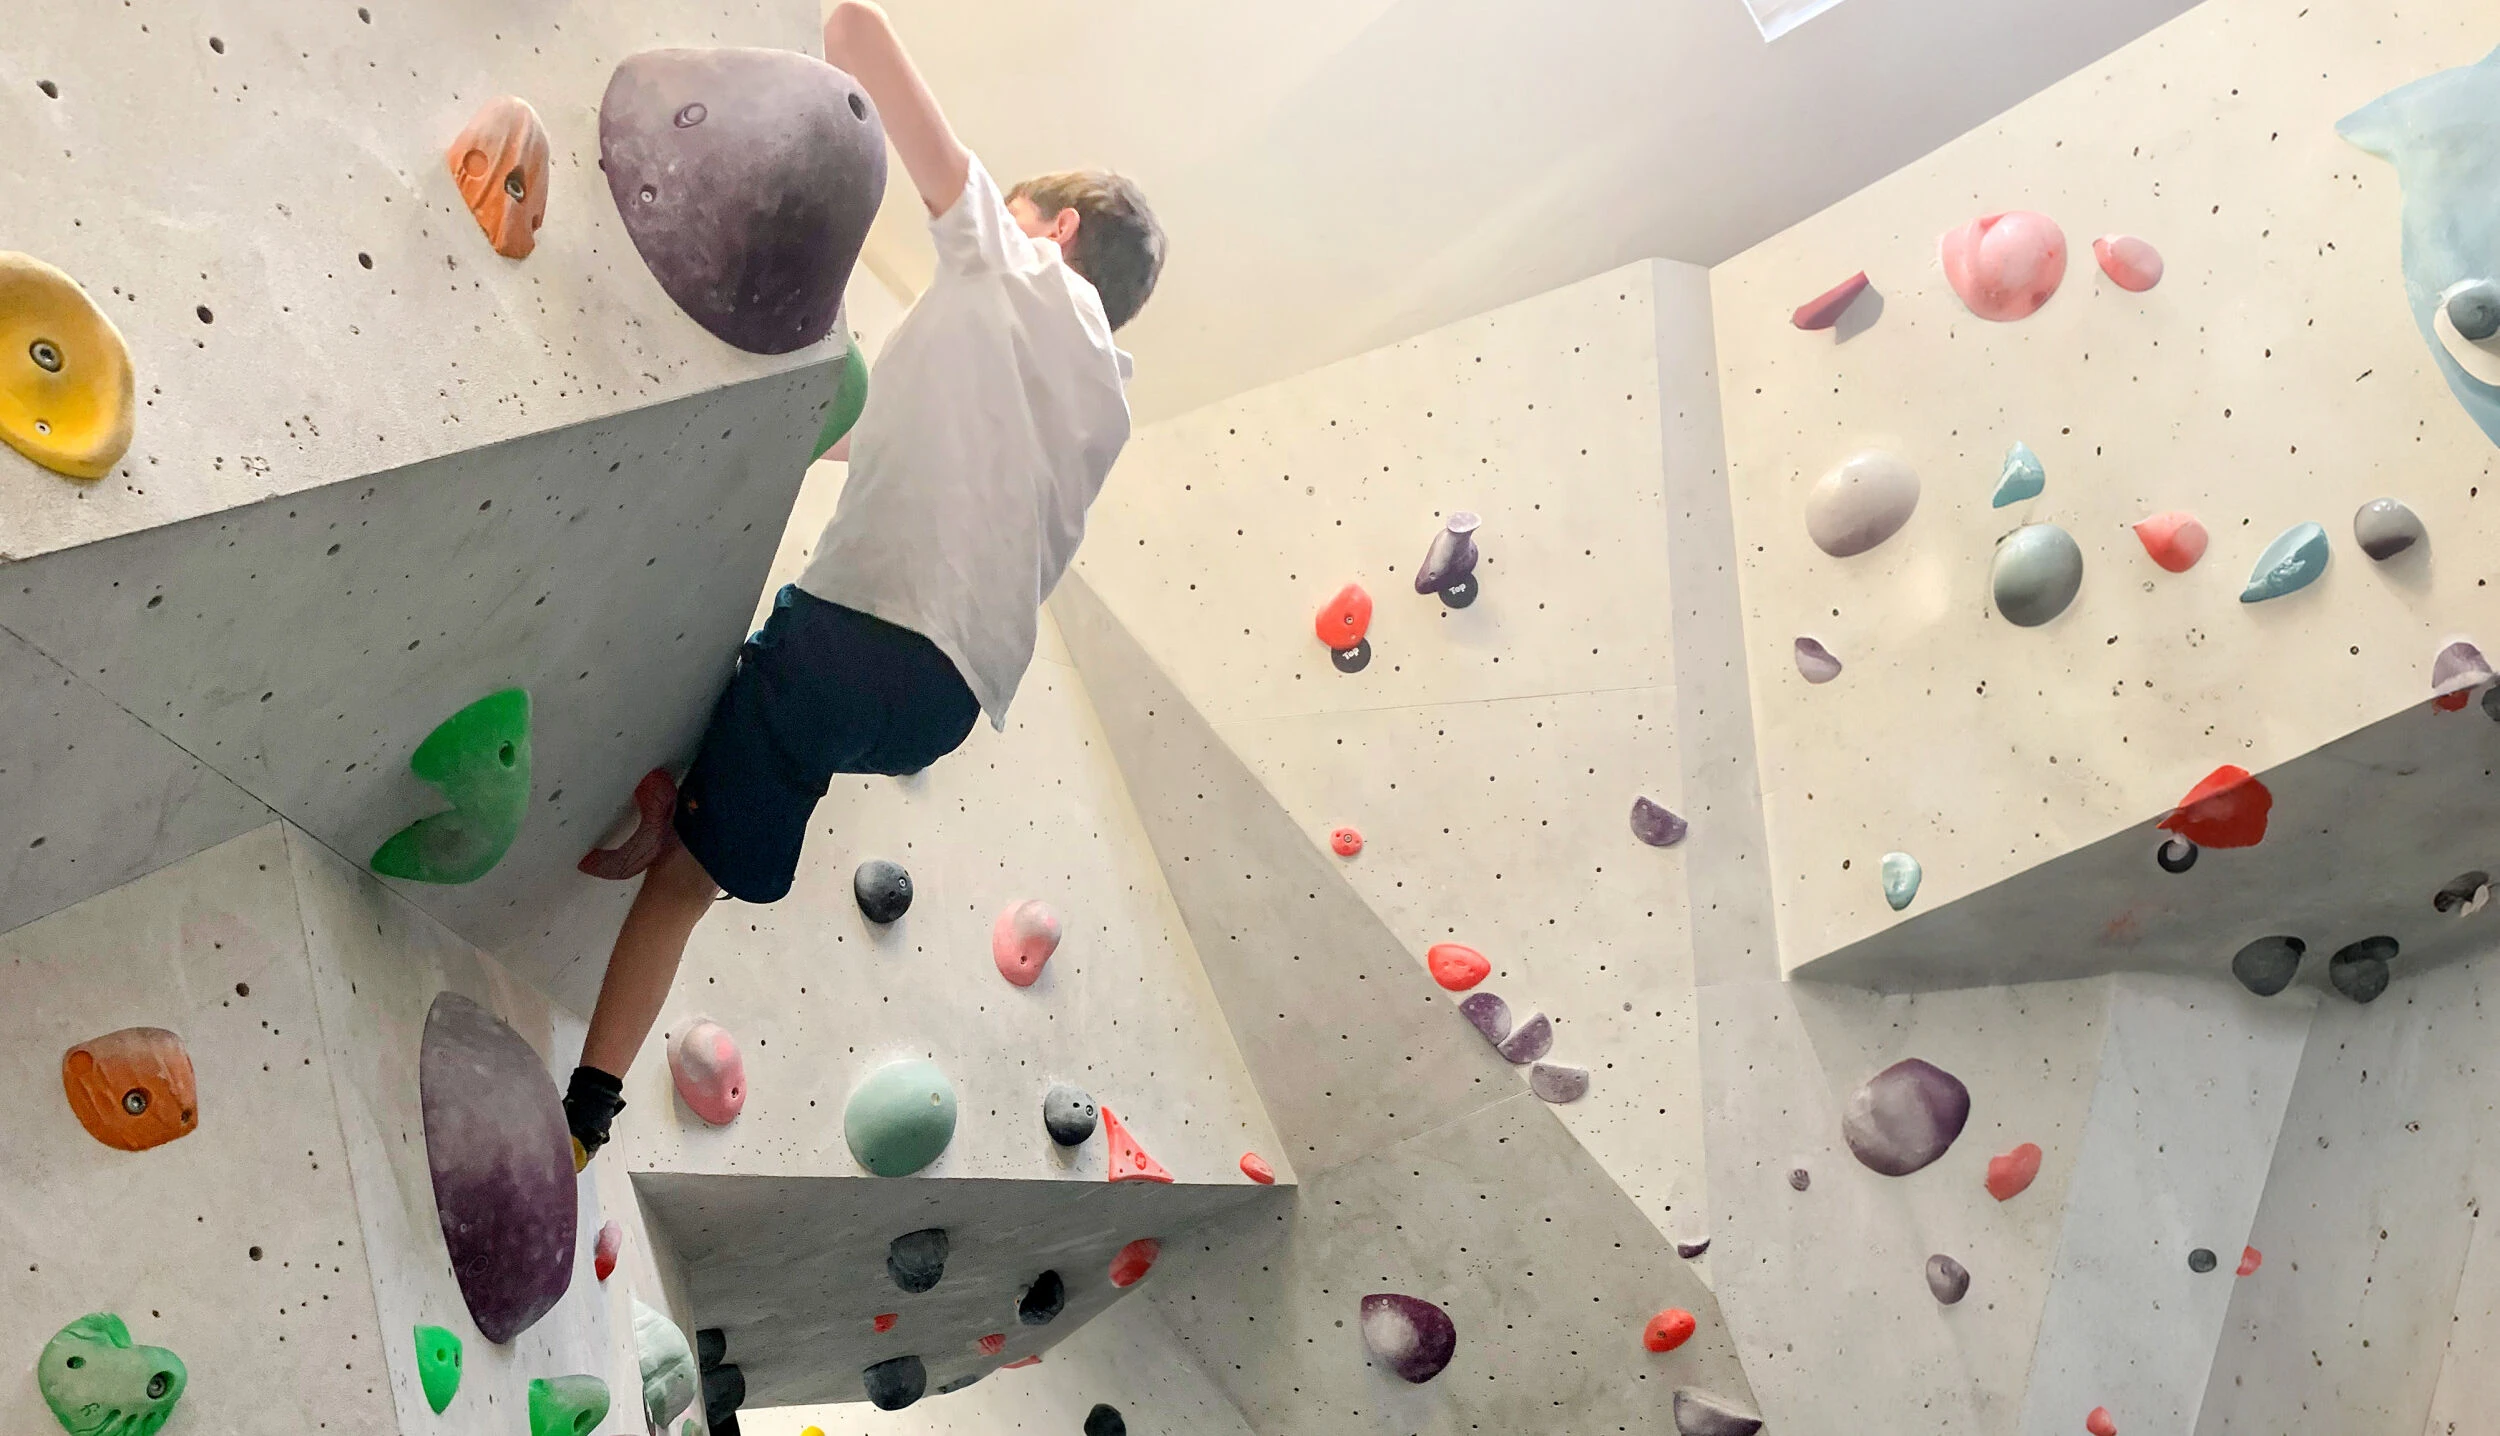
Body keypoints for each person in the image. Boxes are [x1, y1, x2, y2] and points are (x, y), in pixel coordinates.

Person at [562, 0, 1165, 1167]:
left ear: (1062, 228)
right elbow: (885, 440)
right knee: (751, 759)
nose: (1004, 216)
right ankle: (681, 821)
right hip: (936, 707)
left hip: (857, 637)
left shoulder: (1020, 267)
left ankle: (593, 1094)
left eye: (1025, 208)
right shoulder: (1103, 402)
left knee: (697, 846)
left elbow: (852, 34)